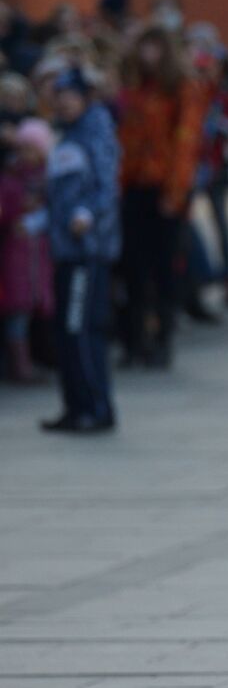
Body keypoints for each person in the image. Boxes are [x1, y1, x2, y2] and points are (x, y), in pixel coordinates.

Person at [116, 24, 202, 367]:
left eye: (154, 48)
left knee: (162, 267)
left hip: (163, 187)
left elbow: (186, 143)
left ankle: (162, 338)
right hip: (131, 185)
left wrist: (175, 191)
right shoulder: (132, 88)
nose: (147, 55)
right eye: (143, 47)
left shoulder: (180, 89)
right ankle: (134, 340)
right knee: (131, 266)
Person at [41, 67, 120, 433]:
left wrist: (86, 214)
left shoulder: (96, 133)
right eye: (59, 96)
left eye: (70, 95)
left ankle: (96, 409)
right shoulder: (66, 136)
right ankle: (74, 407)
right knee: (66, 331)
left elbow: (106, 187)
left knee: (81, 330)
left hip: (86, 250)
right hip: (63, 250)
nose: (63, 102)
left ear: (84, 97)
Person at [0, 117, 55, 382]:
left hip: (37, 256)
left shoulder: (49, 177)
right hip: (16, 256)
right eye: (22, 149)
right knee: (17, 315)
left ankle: (32, 361)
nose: (26, 155)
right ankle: (19, 366)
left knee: (32, 313)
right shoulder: (10, 180)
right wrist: (17, 212)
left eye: (32, 149)